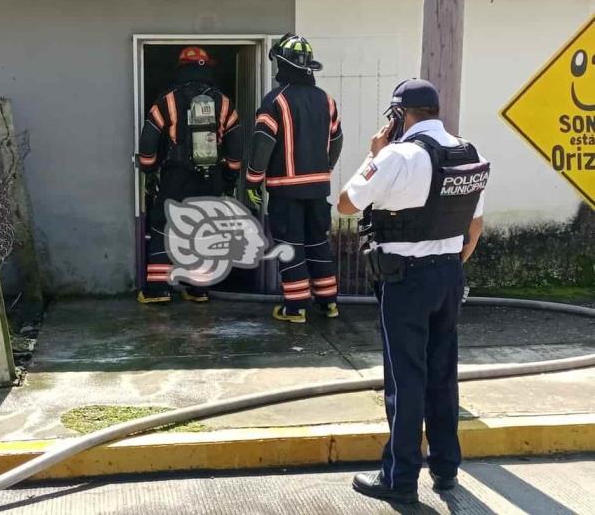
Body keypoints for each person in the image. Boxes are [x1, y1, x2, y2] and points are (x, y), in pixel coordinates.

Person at [337, 79, 489, 503]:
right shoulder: (467, 153)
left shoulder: (396, 156)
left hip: (405, 281)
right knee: (442, 374)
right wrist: (449, 266)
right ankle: (445, 470)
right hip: (448, 274)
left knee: (405, 381)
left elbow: (346, 203)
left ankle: (399, 479)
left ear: (400, 116)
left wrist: (374, 153)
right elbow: (474, 226)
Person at [245, 34, 344, 324]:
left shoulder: (276, 100)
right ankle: (329, 304)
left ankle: (295, 307)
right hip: (318, 189)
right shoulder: (327, 100)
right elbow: (337, 140)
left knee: (290, 246)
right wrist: (324, 168)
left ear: (280, 63)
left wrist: (253, 181)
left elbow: (262, 143)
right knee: (317, 243)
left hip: (285, 191)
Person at [137, 46, 243, 304]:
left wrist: (150, 170)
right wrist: (229, 179)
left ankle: (158, 290)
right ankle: (199, 289)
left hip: (176, 175)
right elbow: (236, 148)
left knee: (163, 225)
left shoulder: (167, 100)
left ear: (181, 68)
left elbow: (148, 143)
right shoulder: (224, 102)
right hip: (211, 176)